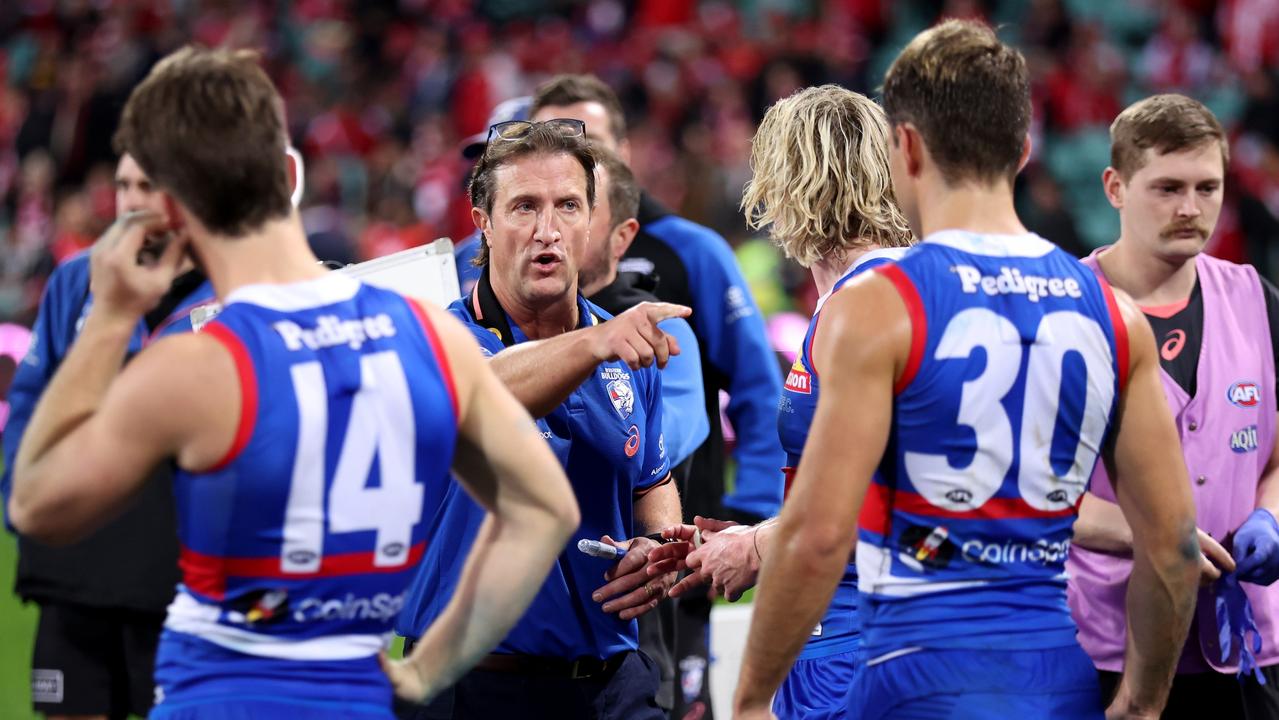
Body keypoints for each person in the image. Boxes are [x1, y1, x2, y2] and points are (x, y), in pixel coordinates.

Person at [6, 46, 579, 718]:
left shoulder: (196, 366)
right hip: (359, 697)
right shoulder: (433, 337)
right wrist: (426, 670)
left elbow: (36, 504)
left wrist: (109, 314)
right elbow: (545, 510)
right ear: (288, 173)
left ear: (165, 208)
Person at [732, 20, 1201, 720]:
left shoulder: (877, 307)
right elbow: (1173, 547)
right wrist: (1139, 704)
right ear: (1022, 147)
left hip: (909, 674)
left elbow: (819, 533)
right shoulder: (1113, 314)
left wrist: (746, 701)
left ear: (906, 147)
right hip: (1053, 679)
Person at [394, 119, 686, 720]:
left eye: (568, 206)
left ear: (591, 221)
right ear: (483, 221)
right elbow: (483, 395)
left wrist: (655, 547)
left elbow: (652, 479)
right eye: (524, 207)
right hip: (473, 691)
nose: (547, 230)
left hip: (614, 688)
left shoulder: (624, 348)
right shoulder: (430, 341)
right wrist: (593, 344)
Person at [649, 85, 913, 720]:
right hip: (849, 626)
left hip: (859, 637)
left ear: (790, 183)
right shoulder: (877, 289)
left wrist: (761, 546)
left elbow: (897, 490)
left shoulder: (867, 304)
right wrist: (760, 535)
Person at [531, 74, 784, 718]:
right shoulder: (501, 297)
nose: (565, 159)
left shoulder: (684, 262)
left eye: (581, 141)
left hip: (675, 547)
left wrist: (752, 510)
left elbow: (751, 386)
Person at [1067, 93, 1279, 718]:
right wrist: (1157, 541)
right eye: (1167, 188)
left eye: (1207, 187)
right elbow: (1026, 489)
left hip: (1244, 646)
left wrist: (1270, 516)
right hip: (1103, 649)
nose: (1191, 208)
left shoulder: (1257, 301)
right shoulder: (1063, 312)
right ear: (1115, 187)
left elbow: (1277, 458)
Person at [0, 151, 217, 720]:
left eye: (149, 185)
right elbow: (30, 400)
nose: (130, 202)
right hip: (75, 573)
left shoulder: (235, 291)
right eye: (122, 185)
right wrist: (20, 507)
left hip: (179, 588)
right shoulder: (78, 278)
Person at [579, 148, 708, 485]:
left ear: (622, 237)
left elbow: (646, 450)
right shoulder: (488, 321)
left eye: (577, 207)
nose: (556, 227)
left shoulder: (661, 331)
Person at [453, 97, 532, 298]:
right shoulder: (463, 256)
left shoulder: (570, 242)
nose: (490, 168)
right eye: (488, 157)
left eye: (507, 157)